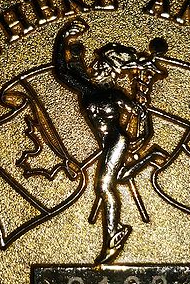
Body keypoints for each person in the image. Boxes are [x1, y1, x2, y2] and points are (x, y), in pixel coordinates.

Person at [53, 18, 148, 264]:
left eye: (100, 64)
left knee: (104, 187)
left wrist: (141, 129)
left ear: (110, 70)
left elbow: (140, 118)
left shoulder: (115, 94)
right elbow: (62, 71)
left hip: (117, 140)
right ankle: (114, 232)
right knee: (106, 185)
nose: (93, 66)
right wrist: (62, 38)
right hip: (109, 142)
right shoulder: (88, 89)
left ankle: (114, 234)